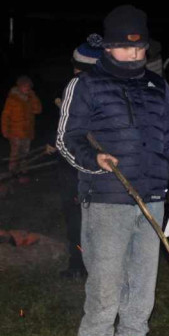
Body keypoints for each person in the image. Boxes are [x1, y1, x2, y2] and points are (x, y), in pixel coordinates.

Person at [56, 4, 169, 336]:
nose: (135, 55)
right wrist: (94, 160)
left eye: (140, 49)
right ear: (108, 48)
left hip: (151, 198)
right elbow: (66, 141)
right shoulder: (85, 85)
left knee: (143, 280)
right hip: (106, 198)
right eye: (125, 48)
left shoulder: (157, 87)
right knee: (105, 280)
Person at [49, 34, 103, 280]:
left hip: (78, 166)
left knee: (76, 215)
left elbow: (69, 133)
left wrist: (60, 147)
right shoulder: (116, 85)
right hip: (105, 164)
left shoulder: (77, 86)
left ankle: (78, 265)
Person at [1, 75, 42, 174]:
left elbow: (38, 110)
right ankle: (12, 172)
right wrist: (5, 130)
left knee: (25, 153)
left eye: (29, 86)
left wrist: (33, 97)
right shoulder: (12, 99)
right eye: (25, 86)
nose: (27, 88)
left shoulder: (30, 98)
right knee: (15, 154)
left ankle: (23, 172)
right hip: (15, 131)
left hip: (27, 131)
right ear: (19, 87)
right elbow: (5, 115)